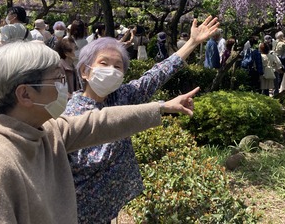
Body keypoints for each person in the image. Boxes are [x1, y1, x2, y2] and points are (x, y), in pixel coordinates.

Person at [0, 41, 197, 223]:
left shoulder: (45, 131)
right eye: (56, 80)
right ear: (25, 94)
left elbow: (101, 122)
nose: (64, 87)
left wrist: (162, 107)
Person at [64, 15, 219, 223]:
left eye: (118, 66)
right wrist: (162, 106)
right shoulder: (71, 114)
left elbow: (157, 74)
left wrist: (192, 43)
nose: (111, 70)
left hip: (106, 210)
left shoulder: (122, 97)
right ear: (85, 71)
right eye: (104, 63)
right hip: (76, 211)